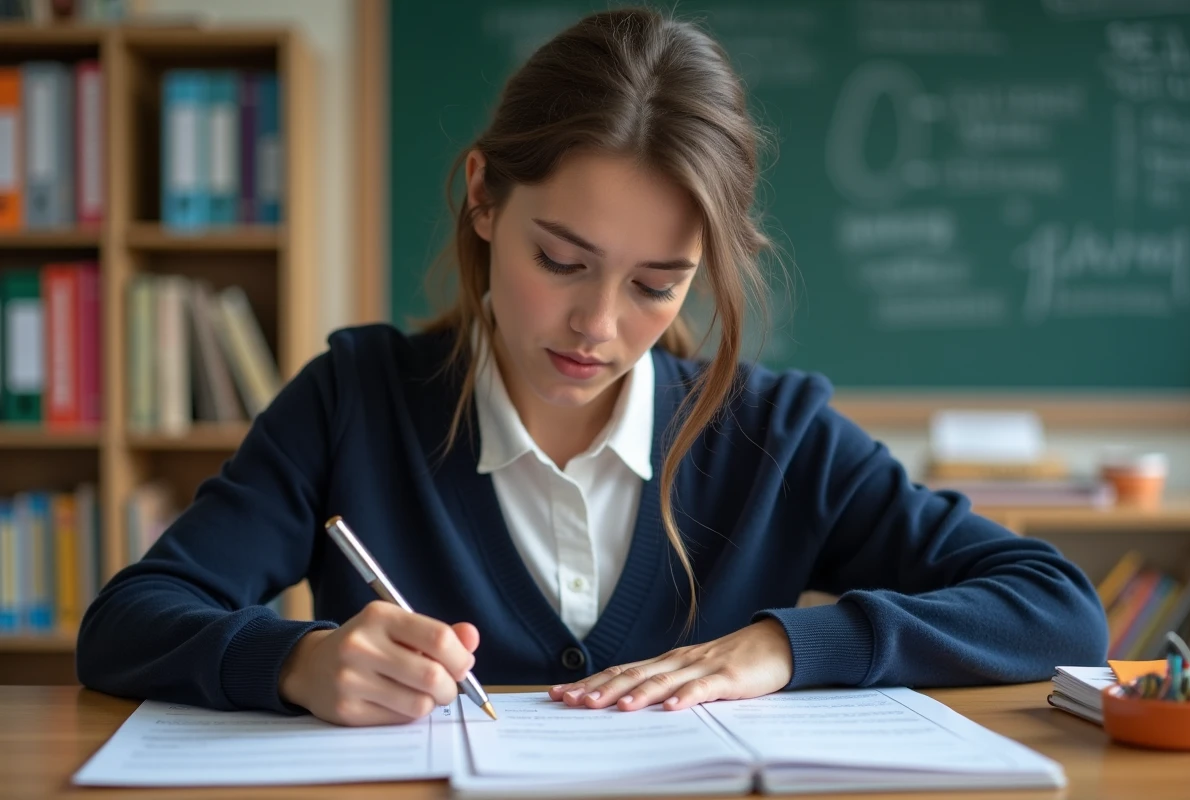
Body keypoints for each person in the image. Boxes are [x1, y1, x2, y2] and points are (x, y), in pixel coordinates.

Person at [77, 6, 1107, 727]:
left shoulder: (773, 433)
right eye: (561, 260)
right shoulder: (356, 402)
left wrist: (784, 648)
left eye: (658, 284)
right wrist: (295, 660)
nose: (598, 324)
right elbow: (126, 624)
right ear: (484, 198)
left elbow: (1057, 603)